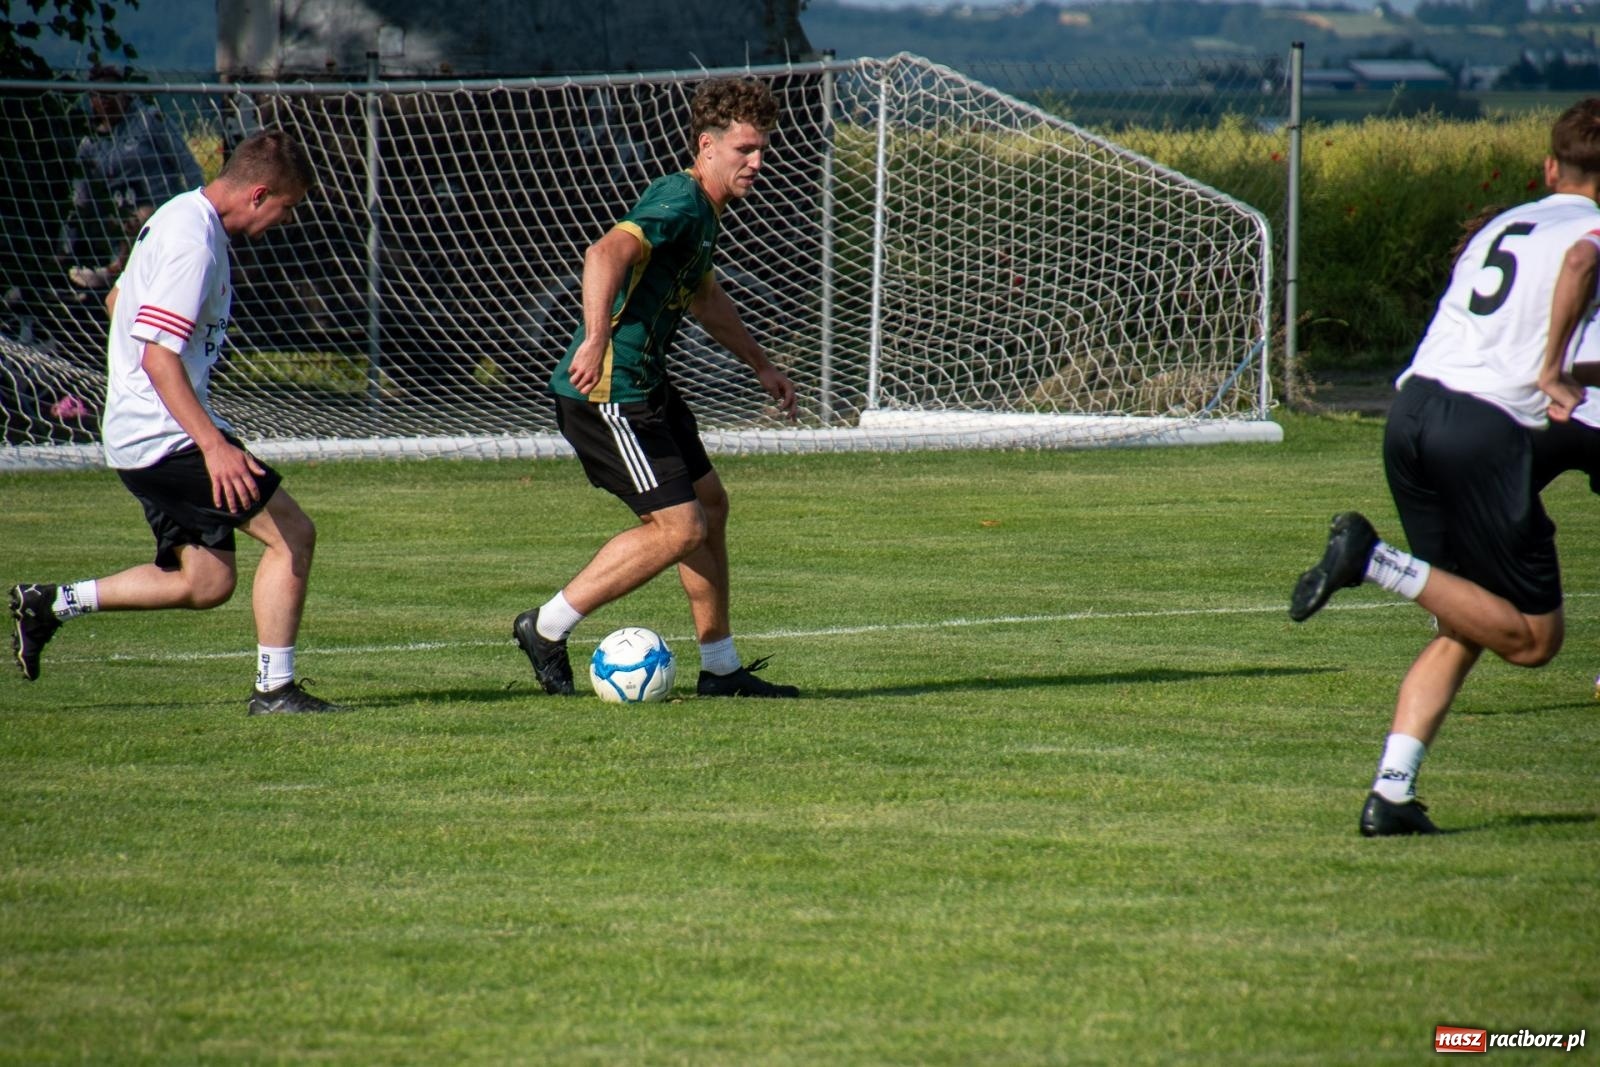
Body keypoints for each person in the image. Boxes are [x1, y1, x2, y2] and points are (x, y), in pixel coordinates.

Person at [1288, 97, 1600, 836]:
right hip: (1484, 426)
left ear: (1549, 167)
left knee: (1469, 612)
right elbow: (1584, 262)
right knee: (1532, 638)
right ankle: (1372, 561)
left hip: (1413, 409)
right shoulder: (1589, 233)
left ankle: (1391, 791)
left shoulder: (1504, 223)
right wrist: (1554, 368)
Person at [9, 129, 346, 716]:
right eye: (286, 208)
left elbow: (118, 300)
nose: (284, 222)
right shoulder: (194, 240)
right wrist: (213, 445)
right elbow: (158, 356)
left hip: (145, 433)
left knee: (206, 583)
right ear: (259, 193)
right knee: (293, 534)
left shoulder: (179, 215)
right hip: (168, 437)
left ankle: (52, 603)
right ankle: (275, 690)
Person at [513, 77, 802, 699]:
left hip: (649, 386)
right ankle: (546, 626)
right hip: (609, 393)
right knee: (679, 528)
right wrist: (594, 338)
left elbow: (704, 296)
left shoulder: (705, 213)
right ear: (707, 145)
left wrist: (760, 364)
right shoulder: (678, 199)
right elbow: (604, 253)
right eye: (744, 150)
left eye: (762, 149)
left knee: (710, 506)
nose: (758, 162)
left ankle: (721, 671)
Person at [65, 66, 204, 291]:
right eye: (99, 95)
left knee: (144, 214)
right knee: (123, 219)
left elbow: (186, 163)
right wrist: (67, 245)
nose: (106, 100)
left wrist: (199, 209)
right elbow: (80, 199)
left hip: (162, 209)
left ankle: (114, 270)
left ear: (125, 93)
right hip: (119, 217)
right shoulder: (89, 144)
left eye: (112, 93)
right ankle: (111, 270)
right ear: (91, 99)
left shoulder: (148, 119)